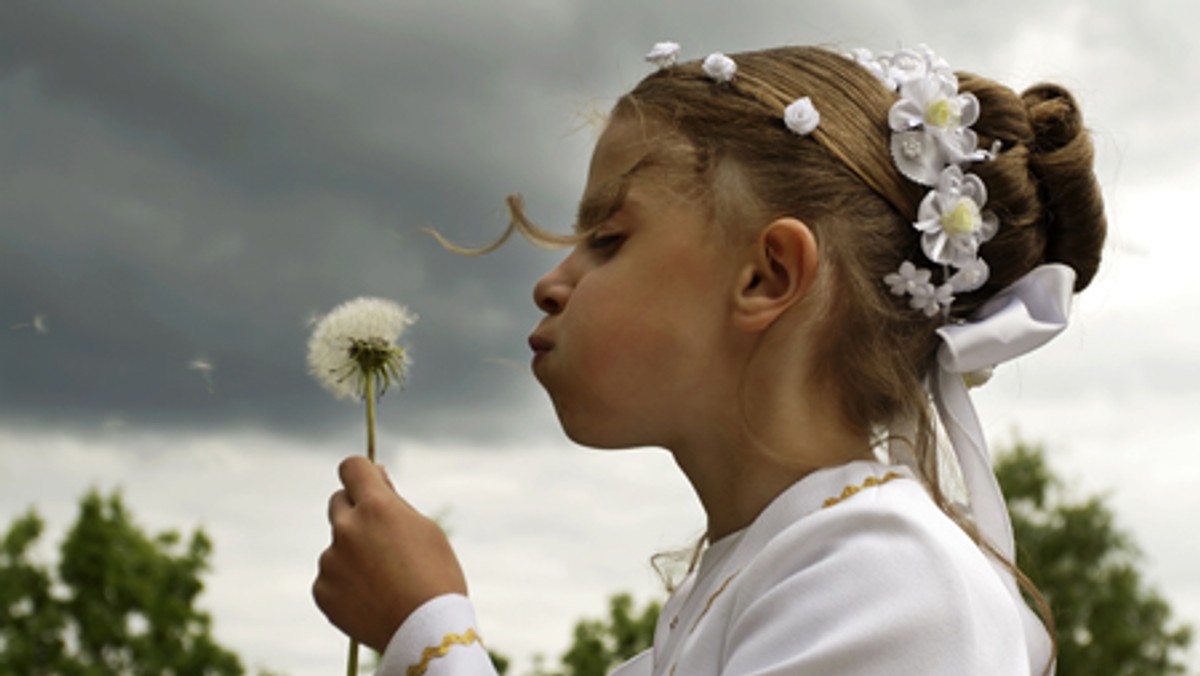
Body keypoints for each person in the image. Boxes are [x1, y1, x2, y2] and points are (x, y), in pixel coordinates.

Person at [313, 42, 1106, 675]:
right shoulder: (744, 590)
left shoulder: (890, 582)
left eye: (609, 240)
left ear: (767, 277)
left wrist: (428, 636)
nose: (551, 284)